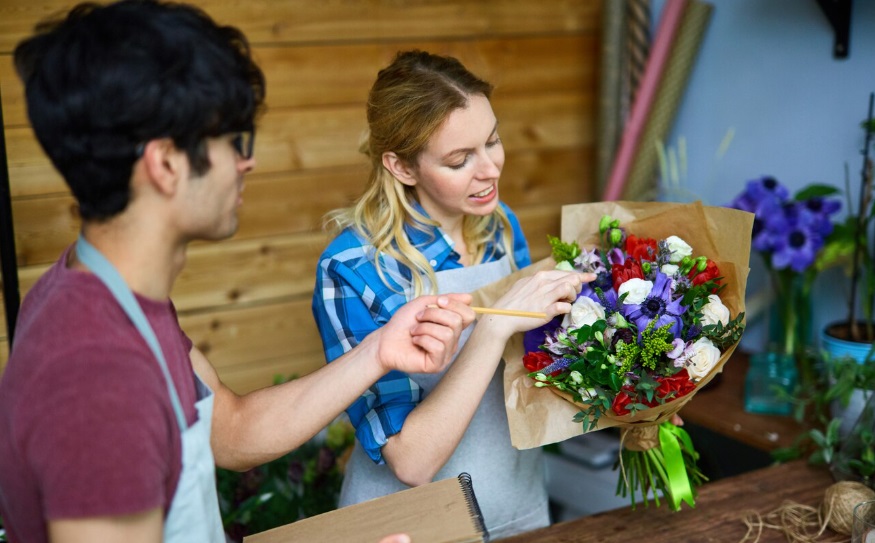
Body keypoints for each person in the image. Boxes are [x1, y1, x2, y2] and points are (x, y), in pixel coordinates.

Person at [0, 3, 476, 542]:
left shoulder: (104, 294)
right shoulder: (96, 373)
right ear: (167, 163)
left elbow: (229, 431)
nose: (246, 163)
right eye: (235, 142)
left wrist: (379, 351)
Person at [312, 50, 594, 539]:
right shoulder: (353, 269)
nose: (489, 170)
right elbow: (411, 460)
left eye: (493, 141)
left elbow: (526, 371)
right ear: (401, 166)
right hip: (410, 527)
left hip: (517, 501)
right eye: (460, 160)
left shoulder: (499, 225)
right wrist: (493, 328)